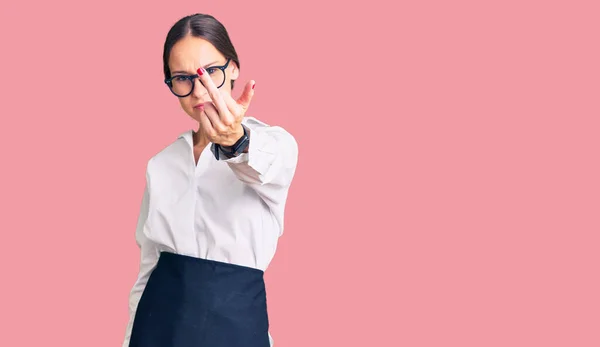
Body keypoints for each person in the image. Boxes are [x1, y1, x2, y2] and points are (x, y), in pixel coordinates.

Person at [121, 13, 298, 347]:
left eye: (210, 72)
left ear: (233, 68)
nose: (199, 89)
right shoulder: (161, 165)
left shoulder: (274, 145)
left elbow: (258, 165)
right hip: (157, 328)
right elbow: (147, 268)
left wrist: (235, 140)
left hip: (235, 327)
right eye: (183, 78)